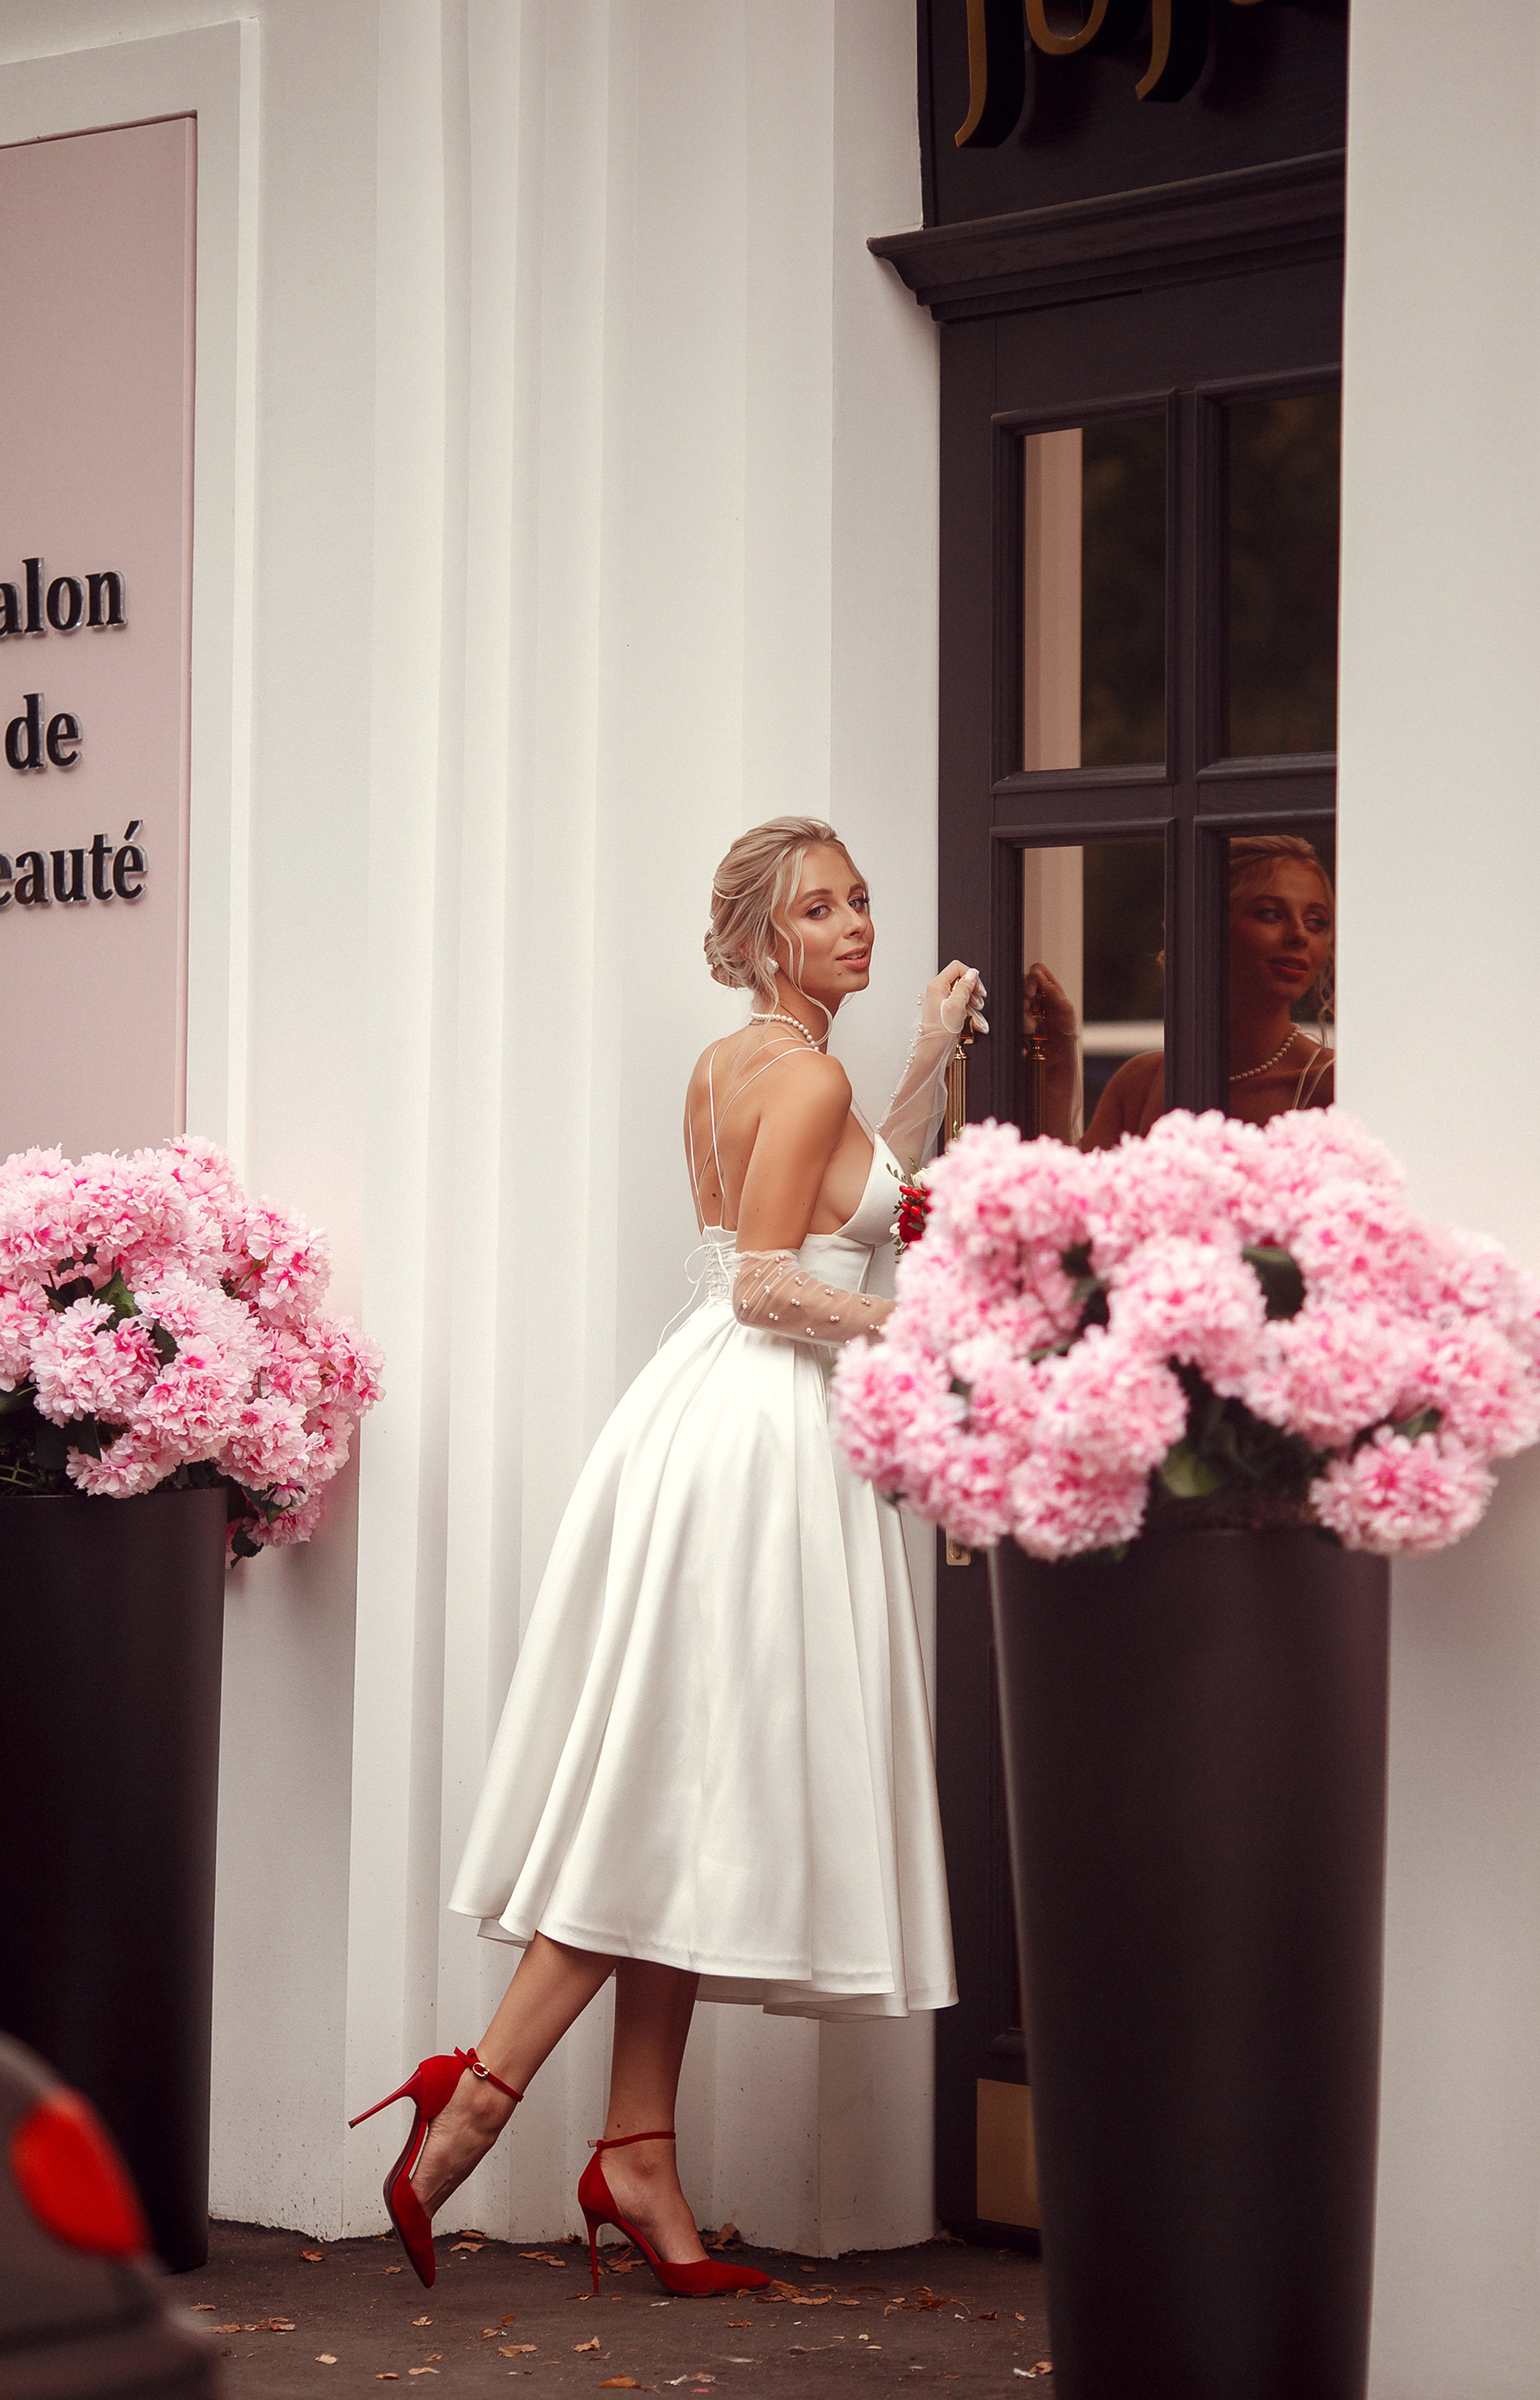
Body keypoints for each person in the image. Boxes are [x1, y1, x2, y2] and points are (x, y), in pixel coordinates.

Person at [348, 817, 981, 2294]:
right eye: (816, 909)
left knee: (682, 1802)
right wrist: (932, 1330)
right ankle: (475, 2098)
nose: (850, 924)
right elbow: (779, 1282)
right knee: (661, 1802)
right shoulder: (804, 1071)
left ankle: (636, 2151)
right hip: (759, 1441)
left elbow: (843, 1195)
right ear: (762, 937)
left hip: (692, 1417)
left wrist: (930, 1057)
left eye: (858, 900)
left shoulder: (732, 1066)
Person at [1027, 834, 1335, 1148]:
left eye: (1316, 922)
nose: (1300, 935)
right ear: (1207, 924)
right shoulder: (1139, 1085)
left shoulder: (1332, 1087)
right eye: (1272, 914)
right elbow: (1069, 1190)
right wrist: (1058, 1054)